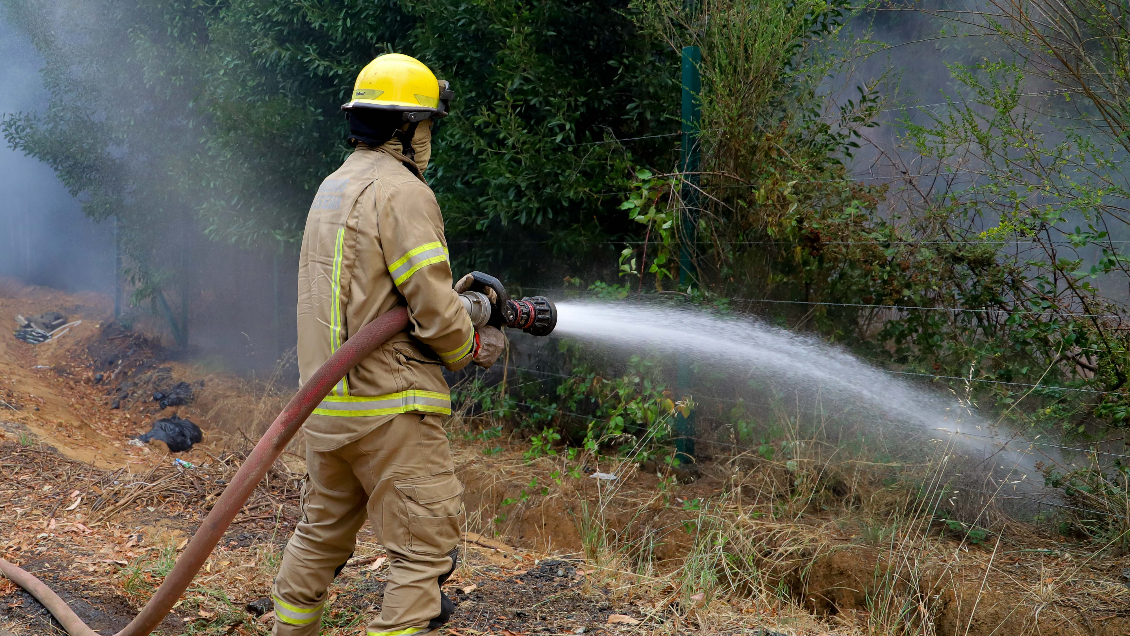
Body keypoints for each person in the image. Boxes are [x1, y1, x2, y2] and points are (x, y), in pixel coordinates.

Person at [272, 52, 505, 636]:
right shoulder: (402, 192)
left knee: (318, 538)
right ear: (405, 126)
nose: (428, 136)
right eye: (425, 124)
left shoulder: (332, 187)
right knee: (423, 553)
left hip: (327, 406)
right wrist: (470, 345)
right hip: (389, 409)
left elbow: (370, 296)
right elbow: (430, 306)